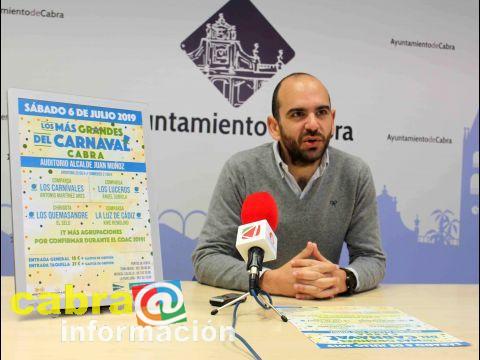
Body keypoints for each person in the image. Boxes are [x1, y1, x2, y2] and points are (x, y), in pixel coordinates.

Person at [192, 73, 386, 299]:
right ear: (274, 126)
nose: (313, 124)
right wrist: (267, 280)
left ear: (332, 120)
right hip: (253, 309)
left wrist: (344, 279)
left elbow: (371, 258)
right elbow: (207, 257)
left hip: (321, 310)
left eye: (321, 113)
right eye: (298, 114)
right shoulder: (242, 169)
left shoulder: (354, 173)